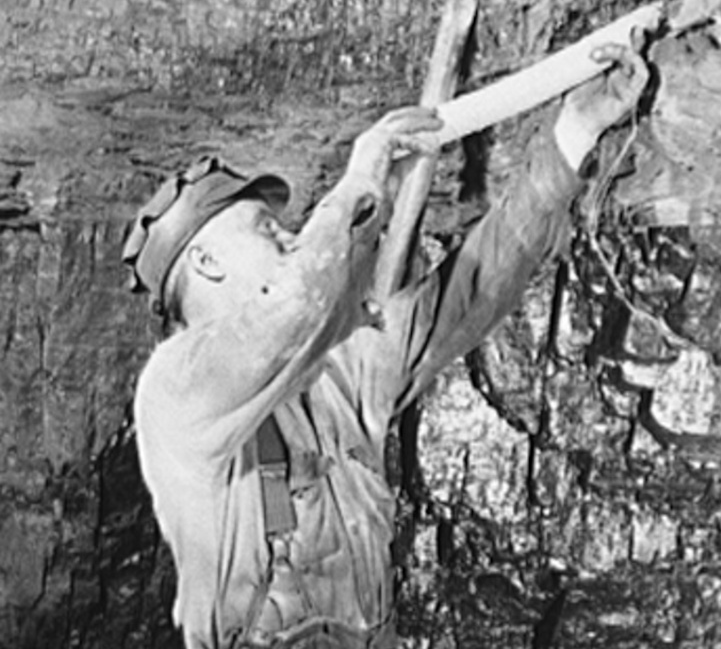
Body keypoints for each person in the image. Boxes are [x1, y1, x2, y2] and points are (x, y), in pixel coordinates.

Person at [123, 41, 648, 649]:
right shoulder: (176, 390)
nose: (289, 236)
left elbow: (471, 290)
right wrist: (362, 181)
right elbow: (295, 306)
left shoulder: (340, 367)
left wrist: (574, 133)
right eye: (266, 227)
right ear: (207, 261)